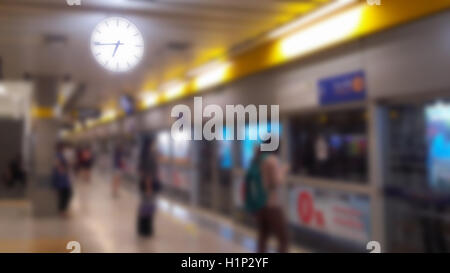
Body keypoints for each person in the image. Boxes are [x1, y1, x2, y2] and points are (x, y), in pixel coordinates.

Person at [244, 141, 289, 253]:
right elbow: (275, 182)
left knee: (263, 237)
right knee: (283, 239)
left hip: (259, 205)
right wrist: (283, 170)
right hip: (272, 204)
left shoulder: (256, 161)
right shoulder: (271, 161)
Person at [137, 135, 161, 237]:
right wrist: (149, 188)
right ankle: (146, 230)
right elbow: (148, 174)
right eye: (154, 143)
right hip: (148, 185)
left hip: (144, 184)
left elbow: (141, 172)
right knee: (149, 208)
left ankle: (142, 229)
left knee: (144, 207)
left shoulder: (144, 156)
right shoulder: (149, 157)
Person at [52, 143, 73, 217]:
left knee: (64, 194)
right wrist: (63, 170)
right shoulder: (58, 155)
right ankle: (62, 211)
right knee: (66, 194)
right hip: (61, 178)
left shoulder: (58, 155)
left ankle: (62, 210)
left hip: (61, 177)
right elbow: (58, 165)